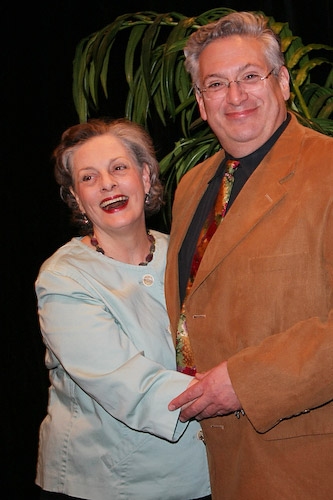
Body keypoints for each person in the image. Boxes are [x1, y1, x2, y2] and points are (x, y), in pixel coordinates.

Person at [165, 10, 333, 499]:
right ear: (200, 103)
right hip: (212, 464)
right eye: (215, 84)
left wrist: (246, 381)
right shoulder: (192, 186)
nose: (234, 97)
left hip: (306, 464)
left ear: (282, 82)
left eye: (249, 77)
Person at [35, 117, 211, 500]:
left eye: (119, 168)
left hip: (204, 474)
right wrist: (229, 391)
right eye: (88, 178)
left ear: (146, 178)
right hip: (108, 483)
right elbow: (123, 382)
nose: (108, 184)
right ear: (77, 199)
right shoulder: (63, 278)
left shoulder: (188, 253)